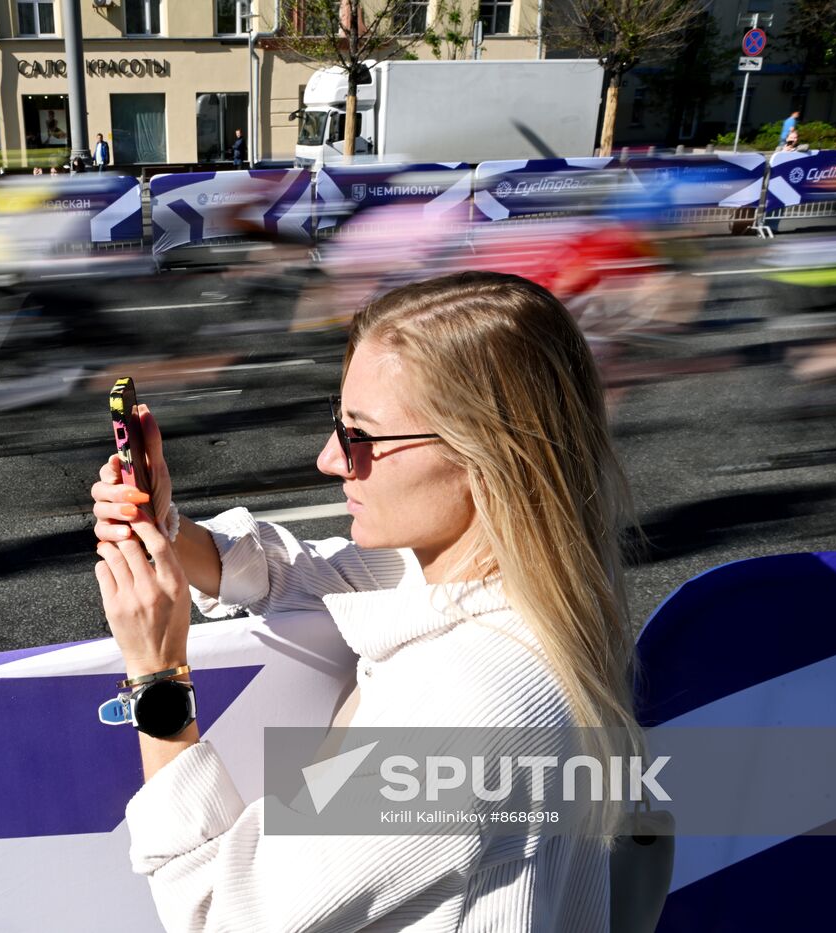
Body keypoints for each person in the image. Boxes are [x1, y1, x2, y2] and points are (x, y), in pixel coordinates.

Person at [89, 271, 645, 930]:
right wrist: (166, 530)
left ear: (486, 454)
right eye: (338, 422)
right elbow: (307, 572)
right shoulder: (546, 589)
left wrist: (157, 678)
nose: (331, 459)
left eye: (362, 436)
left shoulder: (460, 713)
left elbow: (223, 911)